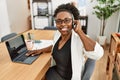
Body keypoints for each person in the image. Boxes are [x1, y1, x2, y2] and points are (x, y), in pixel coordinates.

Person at [26, 3, 104, 80]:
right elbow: (55, 46)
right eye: (58, 21)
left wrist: (80, 32)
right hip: (54, 72)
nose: (62, 24)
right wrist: (40, 50)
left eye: (67, 20)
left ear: (74, 21)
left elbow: (98, 54)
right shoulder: (57, 34)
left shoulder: (79, 39)